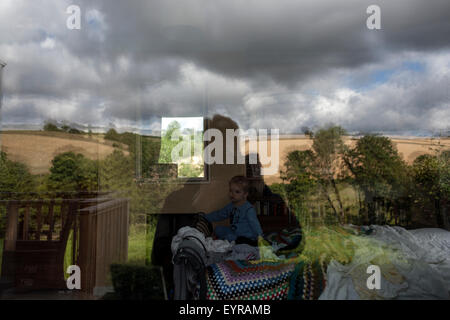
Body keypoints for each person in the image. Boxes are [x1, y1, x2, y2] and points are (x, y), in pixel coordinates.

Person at [204, 175, 263, 244]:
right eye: (231, 191)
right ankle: (227, 239)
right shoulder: (231, 206)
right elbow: (220, 214)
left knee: (230, 237)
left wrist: (260, 237)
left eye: (237, 192)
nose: (232, 194)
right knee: (218, 229)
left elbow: (255, 224)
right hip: (234, 231)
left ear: (245, 194)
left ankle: (231, 241)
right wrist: (206, 217)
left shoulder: (248, 209)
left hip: (246, 236)